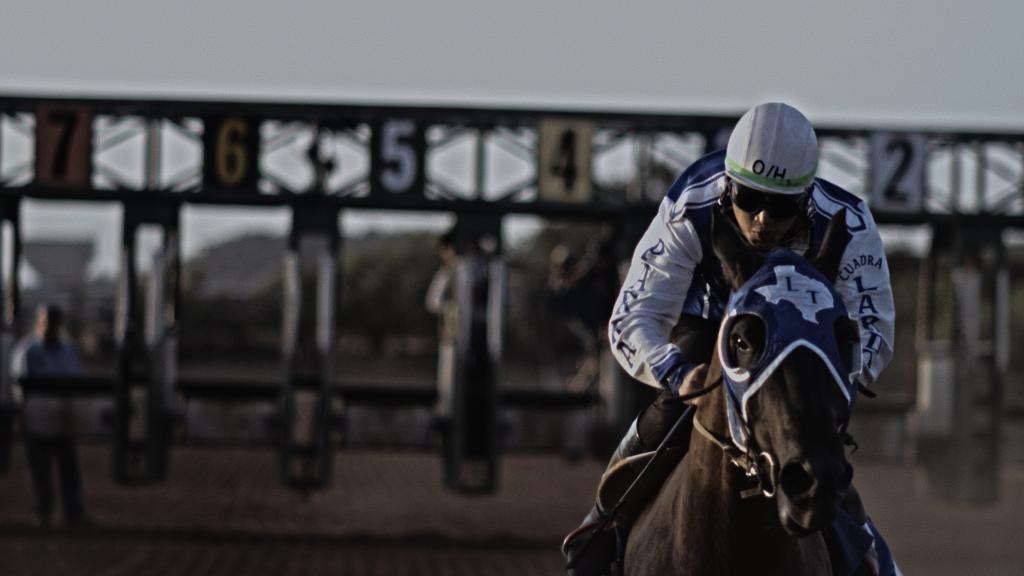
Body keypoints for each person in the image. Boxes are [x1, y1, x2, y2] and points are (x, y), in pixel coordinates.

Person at [562, 103, 896, 574]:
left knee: (815, 439)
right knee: (672, 402)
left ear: (807, 197)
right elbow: (632, 318)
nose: (762, 220)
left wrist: (830, 383)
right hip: (712, 334)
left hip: (801, 354)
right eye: (748, 199)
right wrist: (678, 374)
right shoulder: (690, 206)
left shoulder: (851, 225)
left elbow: (874, 334)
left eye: (780, 206)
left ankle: (870, 556)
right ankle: (602, 524)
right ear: (727, 186)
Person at [11, 304, 91, 529]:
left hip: (63, 420)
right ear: (39, 322)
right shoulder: (27, 351)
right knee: (40, 473)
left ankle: (73, 515)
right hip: (36, 421)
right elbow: (20, 388)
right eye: (47, 321)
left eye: (54, 322)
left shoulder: (67, 351)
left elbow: (77, 380)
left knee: (70, 472)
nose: (50, 327)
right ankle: (43, 514)